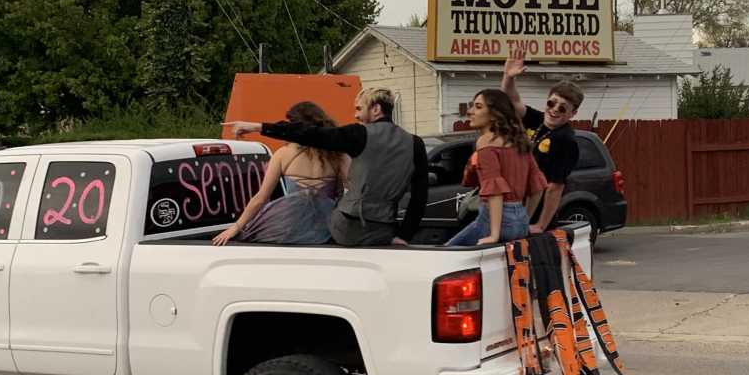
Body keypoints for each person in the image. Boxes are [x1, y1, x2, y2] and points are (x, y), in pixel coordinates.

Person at [226, 87, 428, 247]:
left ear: (375, 109)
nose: (356, 115)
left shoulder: (359, 134)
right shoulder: (415, 143)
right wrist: (404, 235)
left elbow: (311, 134)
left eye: (359, 109)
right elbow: (420, 197)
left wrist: (258, 127)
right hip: (385, 228)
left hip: (344, 228)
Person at [213, 101, 349, 246]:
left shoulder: (283, 155)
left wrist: (236, 227)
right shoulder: (338, 155)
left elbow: (261, 198)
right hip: (327, 230)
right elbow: (353, 191)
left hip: (288, 228)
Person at [501, 43, 585, 234]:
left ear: (573, 113)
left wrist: (540, 225)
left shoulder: (566, 140)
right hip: (515, 206)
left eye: (562, 108)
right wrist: (508, 76)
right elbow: (511, 101)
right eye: (551, 103)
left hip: (534, 217)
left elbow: (555, 188)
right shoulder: (537, 119)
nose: (554, 110)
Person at [446, 88, 546, 247]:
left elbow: (495, 191)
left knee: (448, 254)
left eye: (478, 107)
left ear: (494, 115)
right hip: (520, 220)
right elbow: (538, 186)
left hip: (495, 222)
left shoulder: (486, 141)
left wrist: (494, 235)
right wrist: (524, 219)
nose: (470, 111)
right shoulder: (519, 141)